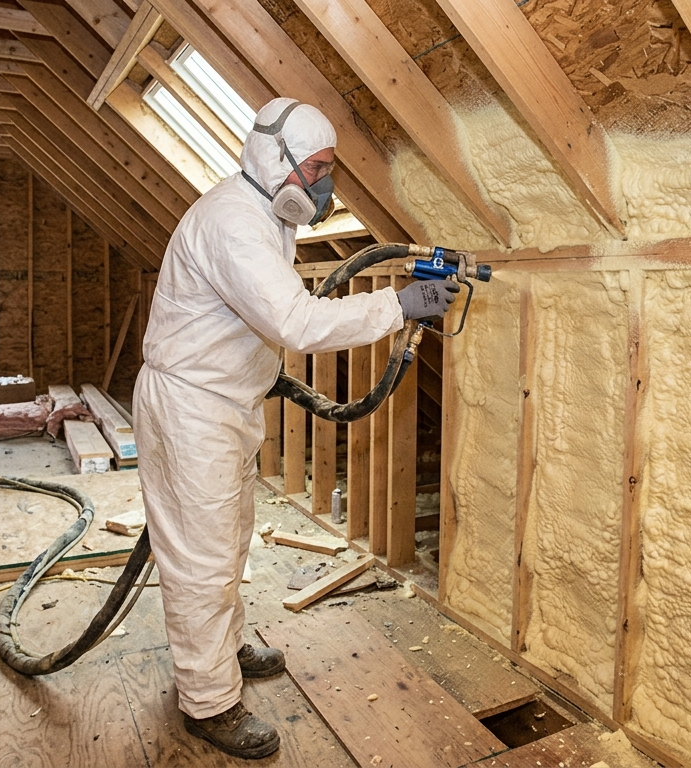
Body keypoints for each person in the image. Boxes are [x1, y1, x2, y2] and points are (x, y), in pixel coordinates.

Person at [131, 97, 459, 759]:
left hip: (224, 402)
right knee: (203, 560)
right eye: (315, 168)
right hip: (193, 409)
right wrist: (401, 304)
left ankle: (222, 650)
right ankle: (209, 702)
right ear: (272, 158)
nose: (323, 184)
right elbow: (298, 324)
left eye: (328, 169)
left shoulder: (263, 214)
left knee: (228, 539)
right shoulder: (232, 223)